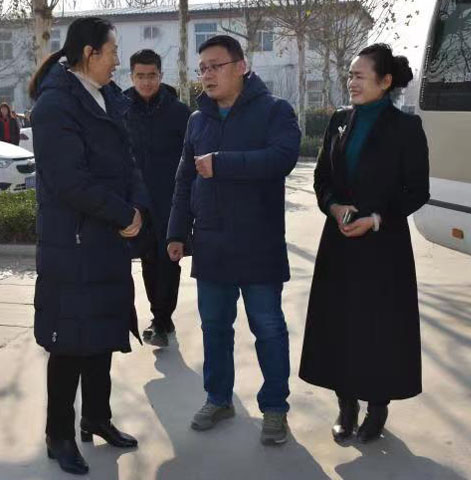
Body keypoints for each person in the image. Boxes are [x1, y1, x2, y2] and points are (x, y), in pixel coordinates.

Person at [167, 35, 300, 445]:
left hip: (258, 241)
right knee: (214, 328)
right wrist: (176, 231)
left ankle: (274, 408)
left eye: (216, 66)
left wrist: (222, 164)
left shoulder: (274, 111)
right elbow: (184, 179)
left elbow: (282, 158)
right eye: (202, 68)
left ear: (241, 67)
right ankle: (218, 398)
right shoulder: (198, 120)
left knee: (268, 328)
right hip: (211, 242)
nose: (207, 75)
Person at [29, 17, 148, 475]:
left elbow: (128, 161)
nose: (118, 60)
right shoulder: (55, 105)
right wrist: (123, 214)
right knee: (69, 343)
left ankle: (97, 418)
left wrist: (137, 208)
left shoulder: (107, 97)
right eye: (112, 51)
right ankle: (58, 434)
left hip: (107, 239)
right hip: (74, 243)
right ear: (89, 53)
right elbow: (69, 180)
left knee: (101, 335)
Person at [299, 43, 430, 444]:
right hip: (339, 242)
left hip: (383, 246)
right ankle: (346, 406)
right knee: (339, 323)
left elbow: (417, 190)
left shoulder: (406, 128)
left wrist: (375, 218)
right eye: (350, 75)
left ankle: (377, 407)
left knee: (379, 327)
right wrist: (334, 207)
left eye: (359, 75)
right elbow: (322, 178)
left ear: (385, 81)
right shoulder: (340, 121)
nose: (351, 82)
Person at [125, 49, 191, 348]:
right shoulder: (121, 110)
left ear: (161, 76)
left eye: (152, 75)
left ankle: (162, 319)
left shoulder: (179, 113)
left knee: (169, 260)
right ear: (131, 76)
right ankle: (160, 317)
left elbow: (189, 158)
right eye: (140, 76)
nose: (146, 82)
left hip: (171, 201)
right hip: (137, 203)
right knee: (148, 260)